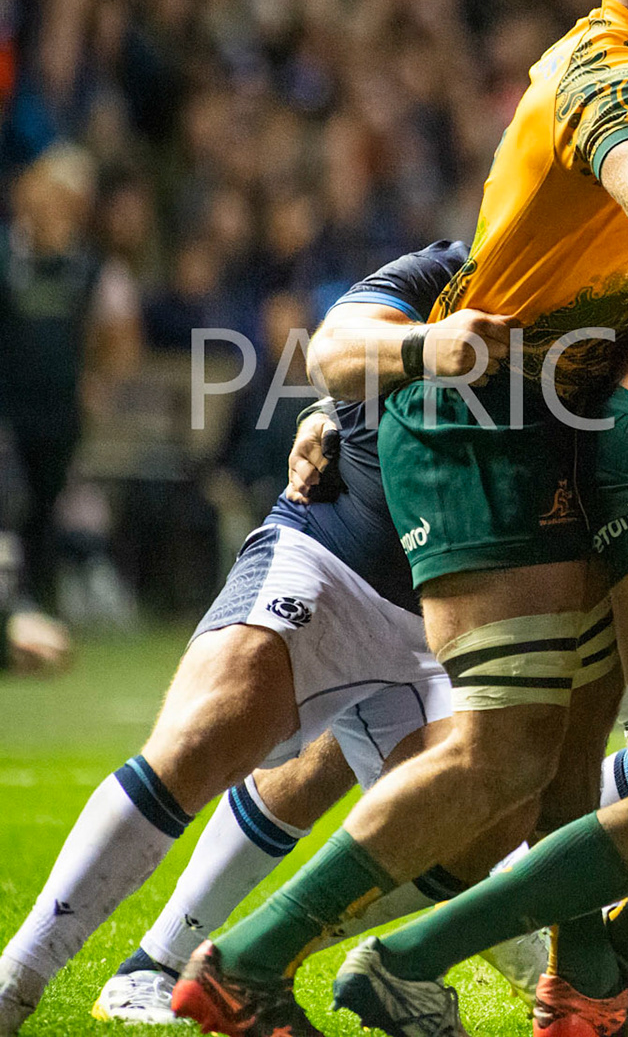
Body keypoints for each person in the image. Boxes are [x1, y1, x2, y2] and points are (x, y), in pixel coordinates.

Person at [171, 0, 628, 1037]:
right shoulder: (611, 69)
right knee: (499, 751)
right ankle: (243, 958)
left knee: (567, 736)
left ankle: (583, 982)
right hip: (483, 419)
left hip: (538, 418)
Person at [0, 243, 494, 1037]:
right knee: (213, 732)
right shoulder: (459, 267)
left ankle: (241, 964)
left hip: (458, 613)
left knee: (478, 827)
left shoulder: (618, 324)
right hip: (338, 550)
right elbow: (333, 347)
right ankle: (21, 978)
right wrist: (390, 369)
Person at [0, 144, 140, 615]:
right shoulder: (7, 256)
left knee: (42, 510)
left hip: (59, 411)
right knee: (11, 504)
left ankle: (35, 604)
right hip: (8, 409)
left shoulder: (88, 267)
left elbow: (119, 334)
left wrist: (98, 380)